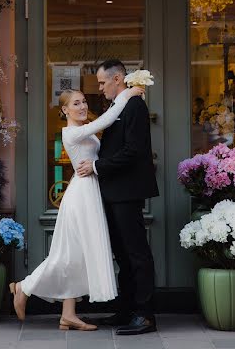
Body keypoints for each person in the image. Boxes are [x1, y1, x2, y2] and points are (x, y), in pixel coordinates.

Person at [9, 84, 144, 331]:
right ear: (64, 110)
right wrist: (126, 93)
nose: (82, 107)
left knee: (77, 253)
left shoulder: (81, 130)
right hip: (81, 195)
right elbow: (107, 119)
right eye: (76, 103)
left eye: (84, 101)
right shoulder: (71, 132)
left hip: (91, 191)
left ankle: (68, 314)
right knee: (68, 253)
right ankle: (24, 287)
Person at [77, 59, 159, 336]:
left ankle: (145, 315)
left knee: (136, 254)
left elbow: (133, 151)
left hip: (127, 191)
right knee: (122, 254)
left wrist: (96, 167)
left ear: (118, 79)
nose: (99, 88)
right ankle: (126, 310)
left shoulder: (135, 105)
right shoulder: (120, 104)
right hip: (114, 191)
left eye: (102, 82)